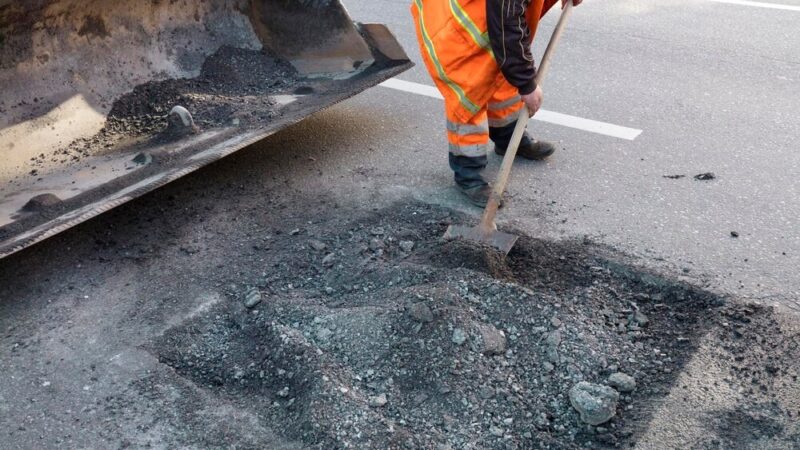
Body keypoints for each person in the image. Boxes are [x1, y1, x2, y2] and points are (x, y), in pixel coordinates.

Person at [411, 0, 582, 206]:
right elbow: (506, 25)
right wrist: (527, 83)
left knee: (502, 79)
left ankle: (508, 138)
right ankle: (468, 174)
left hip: (489, 17)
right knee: (469, 97)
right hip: (456, 28)